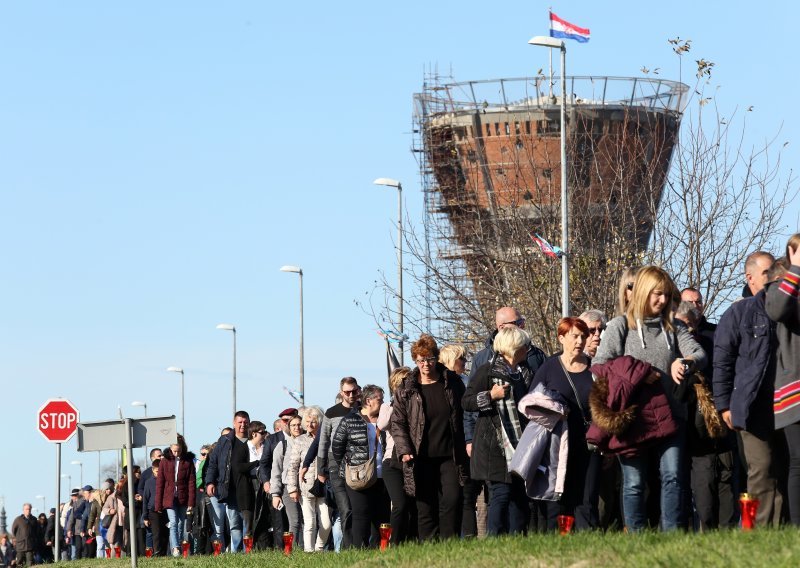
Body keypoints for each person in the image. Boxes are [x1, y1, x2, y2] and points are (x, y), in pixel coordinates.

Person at [593, 265, 707, 531]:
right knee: (633, 482)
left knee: (673, 476)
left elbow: (700, 354)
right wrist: (637, 373)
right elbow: (599, 366)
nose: (663, 300)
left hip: (670, 416)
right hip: (633, 418)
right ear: (643, 292)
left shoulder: (674, 327)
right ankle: (636, 536)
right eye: (656, 294)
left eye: (666, 294)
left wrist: (685, 362)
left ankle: (671, 535)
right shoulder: (620, 326)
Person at [715, 252, 785, 527]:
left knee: (785, 468)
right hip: (752, 406)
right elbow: (722, 361)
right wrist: (724, 405)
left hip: (785, 404)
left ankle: (782, 532)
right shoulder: (738, 314)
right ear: (751, 277)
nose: (774, 281)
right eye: (768, 274)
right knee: (762, 470)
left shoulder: (788, 312)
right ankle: (759, 534)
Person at [392, 334, 468, 541]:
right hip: (420, 456)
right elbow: (397, 422)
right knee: (425, 505)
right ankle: (429, 548)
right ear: (415, 361)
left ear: (437, 359)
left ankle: (449, 546)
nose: (426, 364)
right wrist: (404, 449)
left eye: (430, 359)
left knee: (452, 501)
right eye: (421, 360)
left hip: (450, 454)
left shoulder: (453, 382)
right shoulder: (406, 389)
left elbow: (465, 413)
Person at [531, 317, 601, 530]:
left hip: (589, 444)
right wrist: (554, 413)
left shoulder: (594, 368)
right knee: (560, 498)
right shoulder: (549, 368)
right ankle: (561, 543)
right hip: (557, 445)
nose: (580, 341)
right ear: (561, 338)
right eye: (574, 336)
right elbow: (530, 404)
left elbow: (606, 403)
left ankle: (588, 547)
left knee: (587, 498)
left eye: (583, 336)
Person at [463, 327, 533, 535]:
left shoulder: (525, 372)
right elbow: (466, 402)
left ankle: (517, 538)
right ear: (513, 348)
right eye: (523, 345)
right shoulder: (487, 371)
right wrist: (490, 396)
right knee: (501, 494)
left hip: (521, 445)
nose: (527, 349)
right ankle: (495, 539)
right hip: (495, 445)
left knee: (520, 496)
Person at [766, 238, 800, 524]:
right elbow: (776, 310)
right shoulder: (782, 288)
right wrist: (796, 269)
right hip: (795, 390)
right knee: (798, 462)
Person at [306, 378, 362, 550]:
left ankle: (357, 545)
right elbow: (322, 442)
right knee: (345, 508)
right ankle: (347, 548)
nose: (351, 395)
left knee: (357, 507)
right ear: (341, 392)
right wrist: (321, 470)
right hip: (335, 464)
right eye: (347, 392)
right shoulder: (331, 413)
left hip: (359, 464)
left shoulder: (362, 410)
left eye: (353, 391)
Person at [332, 385, 390, 548]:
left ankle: (380, 550)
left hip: (383, 475)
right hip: (358, 477)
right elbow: (337, 447)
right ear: (368, 400)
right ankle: (359, 550)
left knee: (382, 516)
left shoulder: (384, 419)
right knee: (361, 514)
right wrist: (349, 466)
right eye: (380, 399)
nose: (383, 402)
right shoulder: (350, 420)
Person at [377, 366, 417, 545]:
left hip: (412, 459)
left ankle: (411, 541)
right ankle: (395, 543)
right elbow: (383, 423)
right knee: (399, 504)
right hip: (391, 462)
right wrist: (397, 403)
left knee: (414, 504)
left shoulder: (416, 403)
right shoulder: (387, 406)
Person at [287, 406, 332, 552]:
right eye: (307, 421)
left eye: (313, 421)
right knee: (309, 522)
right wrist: (293, 488)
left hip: (323, 487)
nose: (310, 425)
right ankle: (308, 551)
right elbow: (293, 466)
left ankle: (318, 548)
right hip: (305, 487)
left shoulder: (327, 439)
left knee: (326, 523)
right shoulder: (299, 441)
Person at [206, 411, 250, 553]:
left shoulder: (252, 440)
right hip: (230, 488)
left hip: (248, 488)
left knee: (248, 522)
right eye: (240, 422)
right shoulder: (224, 441)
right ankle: (236, 551)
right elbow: (213, 462)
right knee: (234, 523)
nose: (243, 425)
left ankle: (248, 551)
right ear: (234, 423)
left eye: (245, 422)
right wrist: (210, 482)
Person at [155, 434, 196, 557]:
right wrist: (158, 504)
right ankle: (175, 548)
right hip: (169, 497)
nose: (176, 454)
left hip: (183, 496)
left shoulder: (188, 462)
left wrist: (191, 503)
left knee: (180, 523)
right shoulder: (164, 462)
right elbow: (160, 483)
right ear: (170, 448)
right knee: (173, 522)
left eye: (179, 451)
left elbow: (191, 482)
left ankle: (177, 544)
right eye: (174, 451)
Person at [270, 415, 304, 550]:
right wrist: (275, 494)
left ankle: (306, 549)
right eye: (293, 425)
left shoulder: (309, 442)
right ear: (289, 428)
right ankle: (292, 550)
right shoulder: (282, 445)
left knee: (307, 521)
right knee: (294, 521)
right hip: (287, 488)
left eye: (299, 424)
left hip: (306, 487)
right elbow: (276, 471)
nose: (297, 428)